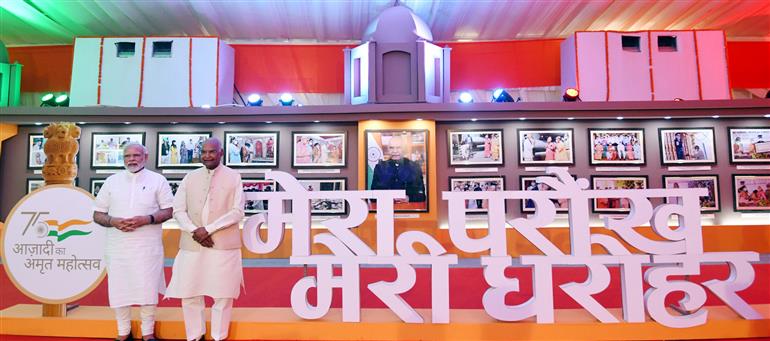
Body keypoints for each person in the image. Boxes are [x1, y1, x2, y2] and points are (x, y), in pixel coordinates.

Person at [165, 138, 245, 341]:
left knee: (223, 293)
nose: (207, 155)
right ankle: (194, 336)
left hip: (223, 244)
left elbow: (237, 211)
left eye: (212, 151)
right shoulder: (190, 177)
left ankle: (219, 336)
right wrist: (195, 231)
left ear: (221, 153)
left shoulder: (234, 177)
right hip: (192, 244)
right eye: (204, 152)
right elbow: (178, 210)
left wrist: (208, 230)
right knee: (189, 291)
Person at [93, 143, 174, 341]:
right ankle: (123, 332)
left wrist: (147, 219)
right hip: (117, 247)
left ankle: (148, 333)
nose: (131, 159)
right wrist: (113, 221)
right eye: (127, 156)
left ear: (145, 157)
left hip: (147, 247)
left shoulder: (158, 180)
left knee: (148, 289)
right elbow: (98, 214)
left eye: (136, 155)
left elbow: (169, 210)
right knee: (119, 289)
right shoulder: (111, 181)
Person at [370, 134, 426, 203]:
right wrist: (389, 198)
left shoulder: (415, 167)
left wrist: (408, 198)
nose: (395, 151)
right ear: (388, 149)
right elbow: (373, 196)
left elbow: (422, 196)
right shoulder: (380, 168)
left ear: (404, 148)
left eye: (398, 147)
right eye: (391, 148)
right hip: (386, 207)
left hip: (409, 207)